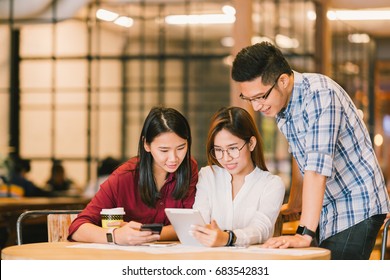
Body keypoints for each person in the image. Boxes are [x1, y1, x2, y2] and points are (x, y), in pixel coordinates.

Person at [231, 41, 390, 259]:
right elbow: (300, 156)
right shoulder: (283, 106)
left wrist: (304, 233)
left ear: (283, 81)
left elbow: (316, 168)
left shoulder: (320, 95)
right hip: (327, 206)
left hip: (355, 204)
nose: (256, 106)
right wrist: (296, 202)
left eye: (260, 97)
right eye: (249, 99)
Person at [68, 106, 198, 245]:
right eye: (164, 150)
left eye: (181, 148)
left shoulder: (189, 168)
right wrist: (116, 236)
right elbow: (77, 228)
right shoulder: (124, 177)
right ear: (146, 145)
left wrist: (143, 232)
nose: (173, 158)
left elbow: (192, 227)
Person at [191, 106, 285, 247]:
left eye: (233, 148)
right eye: (219, 150)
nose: (226, 158)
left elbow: (261, 229)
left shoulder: (272, 184)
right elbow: (198, 224)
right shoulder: (208, 175)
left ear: (251, 144)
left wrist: (228, 238)